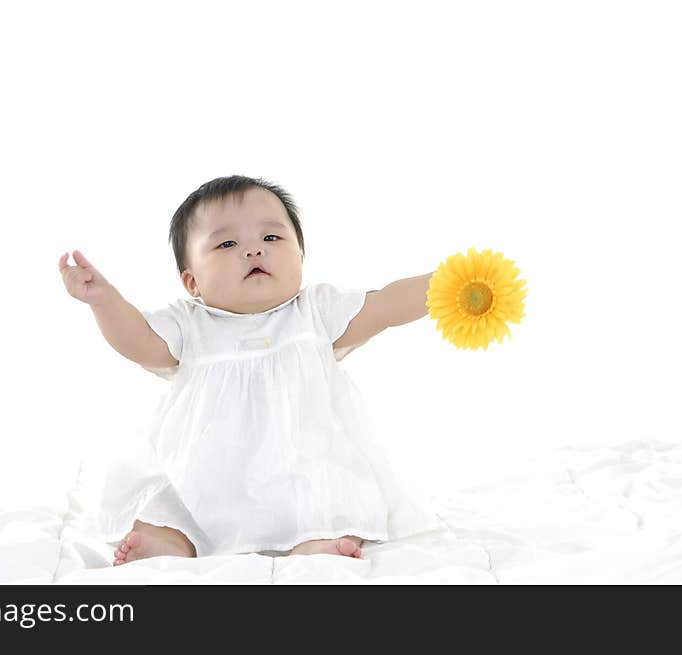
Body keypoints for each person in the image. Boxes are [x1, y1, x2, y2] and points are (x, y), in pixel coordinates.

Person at [59, 175, 439, 566]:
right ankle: (171, 542)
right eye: (227, 243)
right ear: (192, 281)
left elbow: (387, 305)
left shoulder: (316, 313)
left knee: (333, 499)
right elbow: (138, 340)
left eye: (271, 239)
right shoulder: (190, 325)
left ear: (301, 258)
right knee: (168, 507)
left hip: (303, 471)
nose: (253, 251)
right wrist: (104, 302)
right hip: (204, 478)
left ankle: (316, 542)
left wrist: (446, 285)